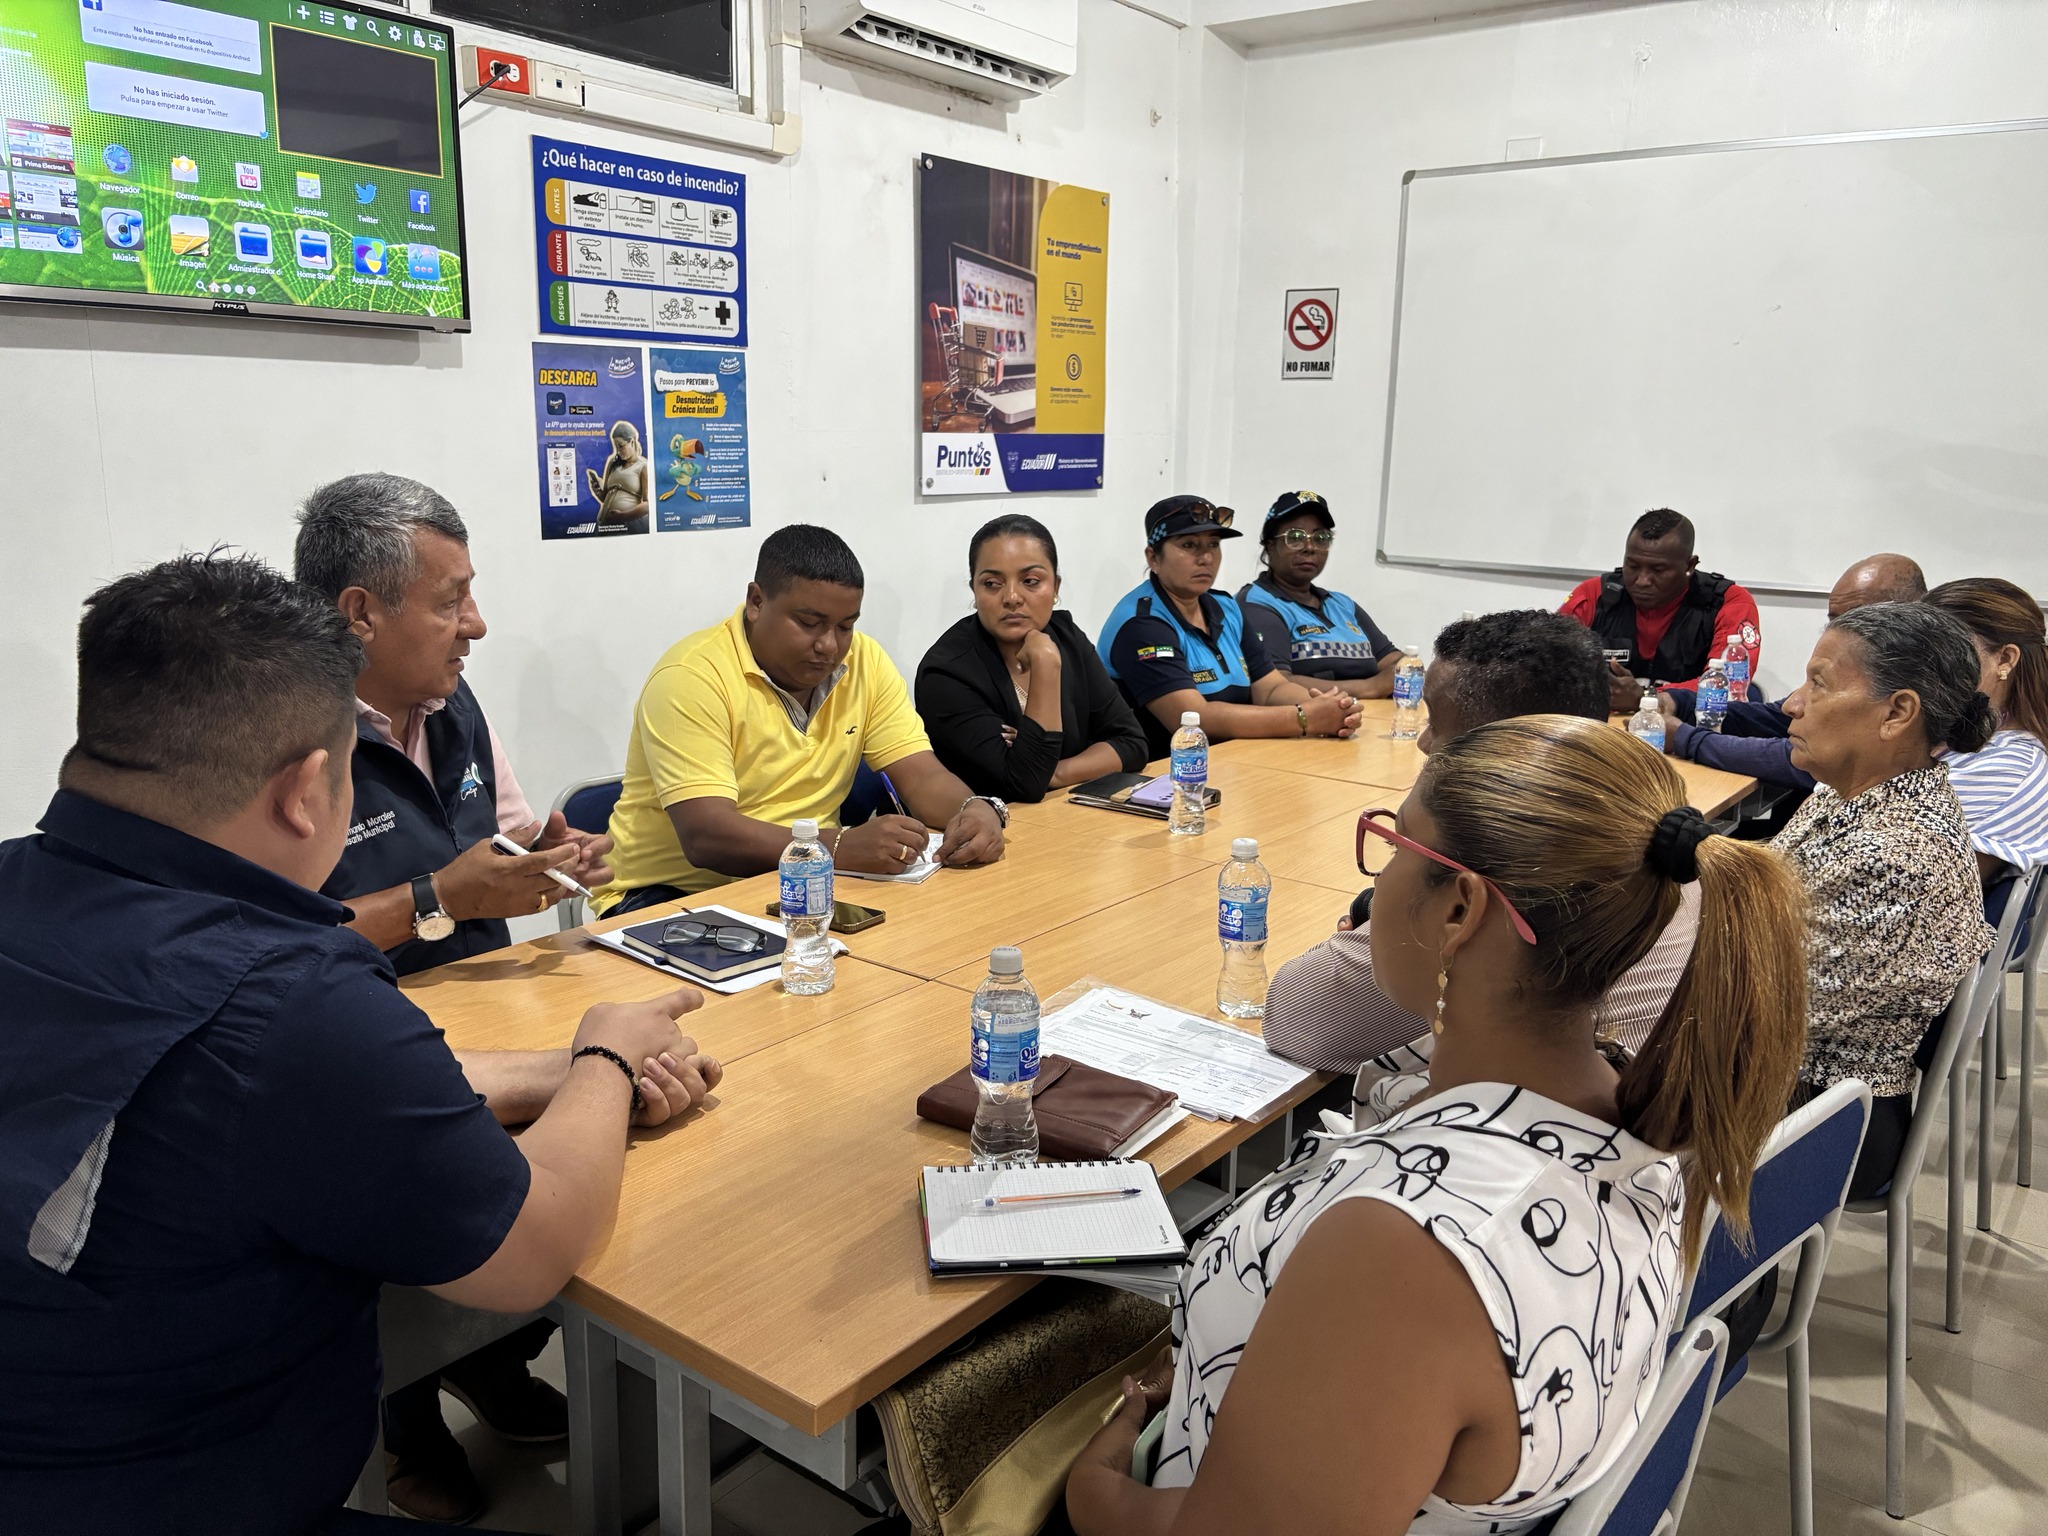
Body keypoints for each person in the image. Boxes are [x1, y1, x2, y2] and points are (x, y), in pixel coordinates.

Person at [0, 553, 721, 1533]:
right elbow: (531, 1251)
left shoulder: (32, 888)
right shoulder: (290, 990)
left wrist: (550, 1074)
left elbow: (259, 1089)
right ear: (307, 791)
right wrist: (604, 1054)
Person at [1063, 715, 1808, 1535]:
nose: (1378, 881)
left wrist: (1093, 1484)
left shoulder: (1406, 1254)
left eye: (1392, 849)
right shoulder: (1635, 1112)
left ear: (1458, 910)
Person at [297, 474, 616, 1520]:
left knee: (555, 1167)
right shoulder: (287, 735)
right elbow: (263, 947)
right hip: (358, 1042)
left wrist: (552, 856)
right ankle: (406, 1425)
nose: (476, 624)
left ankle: (488, 1360)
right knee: (405, 1218)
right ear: (360, 612)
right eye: (451, 600)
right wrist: (436, 898)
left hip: (489, 1003)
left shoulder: (451, 703)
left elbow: (505, 835)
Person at [1263, 611, 1700, 1118]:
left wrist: (1395, 908)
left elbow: (1297, 1015)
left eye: (1437, 723)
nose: (1424, 742)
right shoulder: (1660, 842)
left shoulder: (1503, 887)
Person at [596, 524, 1007, 913]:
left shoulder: (864, 661)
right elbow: (706, 837)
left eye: (845, 626)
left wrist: (974, 809)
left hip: (808, 876)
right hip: (670, 893)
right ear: (756, 602)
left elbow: (920, 776)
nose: (829, 645)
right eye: (809, 623)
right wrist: (838, 847)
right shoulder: (692, 677)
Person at [1775, 602, 1995, 1200]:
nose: (1793, 703)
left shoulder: (1895, 856)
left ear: (1897, 712)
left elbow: (1769, 1008)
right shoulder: (1851, 790)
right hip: (1784, 1076)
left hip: (1820, 1115)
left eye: (1819, 684)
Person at [1097, 496, 1363, 759]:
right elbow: (1195, 719)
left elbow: (1270, 688)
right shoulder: (1142, 623)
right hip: (1164, 773)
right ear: (1153, 558)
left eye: (1213, 544)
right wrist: (1303, 718)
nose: (1206, 558)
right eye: (1189, 545)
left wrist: (1326, 706)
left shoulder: (1225, 607)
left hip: (1233, 759)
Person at [914, 514, 1148, 802]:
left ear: (1055, 587)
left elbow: (1132, 744)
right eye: (992, 584)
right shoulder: (947, 671)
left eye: (1030, 581)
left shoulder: (1067, 637)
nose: (1012, 597)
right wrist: (1046, 665)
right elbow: (1024, 785)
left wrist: (1054, 772)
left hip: (1065, 812)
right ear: (974, 589)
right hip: (988, 824)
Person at [1662, 553, 1928, 791]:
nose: (1793, 705)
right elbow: (1776, 717)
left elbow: (1795, 758)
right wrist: (1681, 702)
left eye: (1855, 621)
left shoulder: (1917, 686)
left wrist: (1687, 738)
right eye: (1833, 620)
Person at [1561, 508, 1762, 713]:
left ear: (1689, 565)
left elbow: (1729, 687)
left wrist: (1645, 697)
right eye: (1633, 566)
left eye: (1658, 570)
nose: (1642, 581)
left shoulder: (1729, 602)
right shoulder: (1595, 594)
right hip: (1603, 727)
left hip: (1689, 727)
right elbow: (1547, 663)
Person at [1921, 578, 2048, 884]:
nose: (1922, 672)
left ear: (2004, 659)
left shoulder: (2006, 766)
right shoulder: (1965, 734)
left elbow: (1905, 884)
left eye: (1945, 655)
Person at [1236, 491, 1402, 699]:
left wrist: (1403, 669)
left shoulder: (1341, 604)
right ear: (1270, 546)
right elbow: (1276, 684)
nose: (1310, 547)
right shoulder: (1256, 604)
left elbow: (1395, 660)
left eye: (1320, 538)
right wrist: (1370, 687)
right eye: (1295, 538)